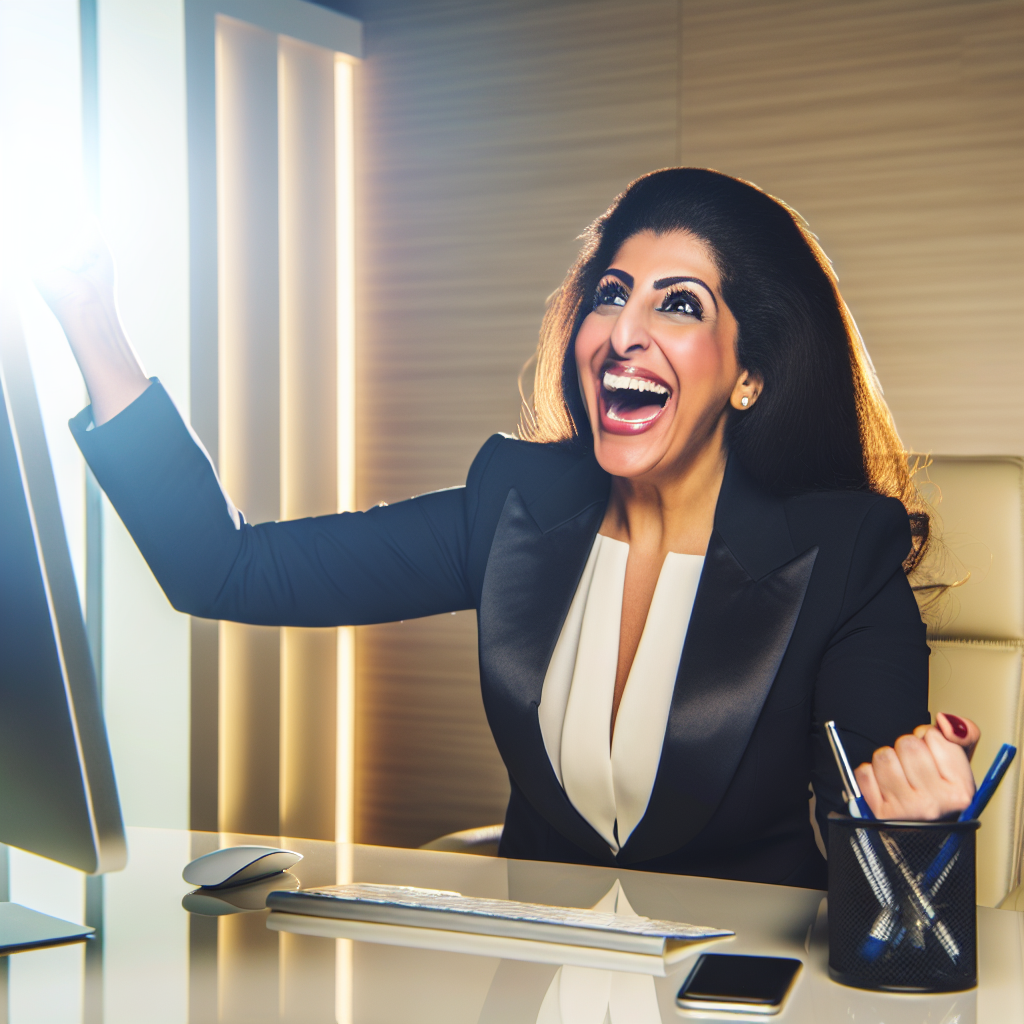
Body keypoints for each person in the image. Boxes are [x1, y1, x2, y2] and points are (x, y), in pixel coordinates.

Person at [39, 168, 980, 889]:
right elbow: (223, 570)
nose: (624, 332)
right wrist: (90, 317)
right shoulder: (516, 503)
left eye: (679, 304)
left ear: (749, 374)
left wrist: (911, 822)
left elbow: (876, 864)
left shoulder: (845, 556)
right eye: (612, 294)